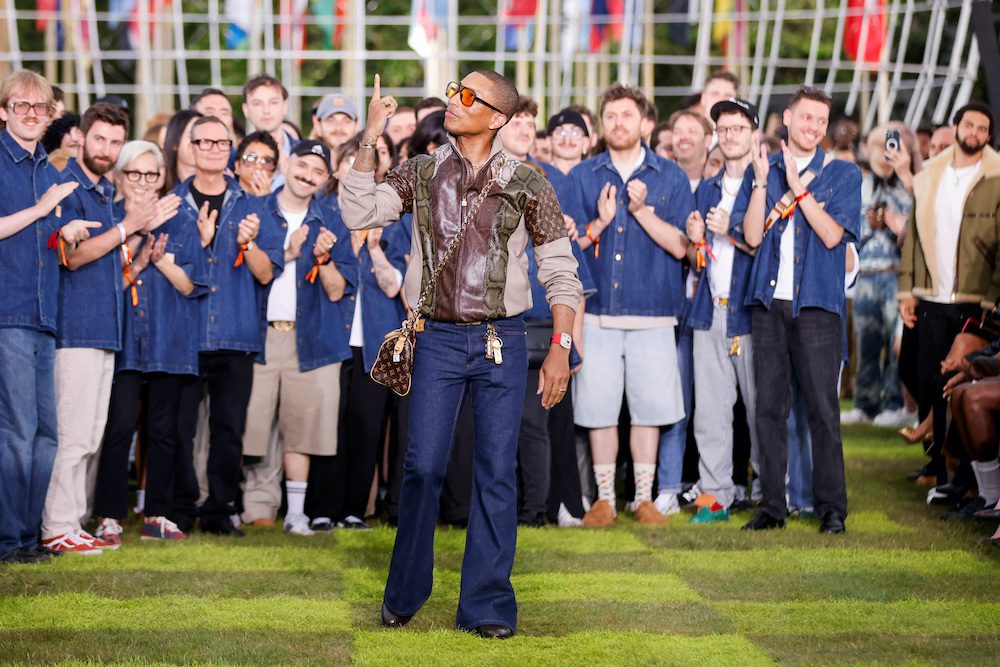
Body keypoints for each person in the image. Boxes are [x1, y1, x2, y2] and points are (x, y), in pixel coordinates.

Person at [341, 71, 582, 638]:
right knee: (422, 467)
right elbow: (358, 212)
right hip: (438, 340)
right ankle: (404, 592)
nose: (455, 100)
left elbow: (562, 274)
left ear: (498, 117)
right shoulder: (421, 171)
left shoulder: (529, 182)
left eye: (470, 96)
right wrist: (370, 137)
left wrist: (561, 348)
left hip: (505, 339)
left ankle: (488, 607)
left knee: (497, 473)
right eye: (455, 89)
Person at [40, 103, 174, 553]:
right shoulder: (68, 187)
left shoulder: (101, 192)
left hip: (104, 330)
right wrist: (129, 226)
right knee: (72, 435)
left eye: (116, 142)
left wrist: (139, 240)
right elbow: (72, 256)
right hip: (73, 329)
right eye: (100, 139)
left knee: (90, 436)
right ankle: (56, 526)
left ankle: (72, 522)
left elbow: (112, 274)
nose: (107, 149)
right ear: (81, 136)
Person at [565, 83, 694, 527]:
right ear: (602, 124)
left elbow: (683, 247)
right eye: (611, 116)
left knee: (650, 408)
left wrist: (640, 211)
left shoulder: (670, 177)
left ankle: (643, 497)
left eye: (626, 115)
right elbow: (566, 246)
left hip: (654, 310)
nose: (618, 123)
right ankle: (604, 499)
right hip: (597, 312)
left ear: (645, 123)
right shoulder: (583, 177)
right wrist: (599, 223)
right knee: (598, 408)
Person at [738, 86, 862, 534]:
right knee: (768, 407)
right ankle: (773, 505)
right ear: (787, 118)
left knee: (823, 411)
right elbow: (752, 236)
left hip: (817, 306)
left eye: (820, 121)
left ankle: (832, 508)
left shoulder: (843, 175)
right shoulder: (763, 169)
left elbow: (833, 237)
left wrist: (797, 190)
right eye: (805, 117)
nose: (813, 127)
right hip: (769, 304)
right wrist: (758, 181)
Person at [0, 70, 99, 564]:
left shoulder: (49, 169)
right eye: (21, 106)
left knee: (45, 434)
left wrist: (68, 230)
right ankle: (8, 538)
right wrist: (44, 211)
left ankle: (26, 537)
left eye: (41, 108)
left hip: (45, 314)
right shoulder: (3, 162)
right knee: (17, 431)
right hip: (9, 313)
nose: (32, 115)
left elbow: (48, 235)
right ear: (4, 110)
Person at [174, 115, 284, 536]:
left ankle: (220, 509)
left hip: (235, 334)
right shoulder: (175, 201)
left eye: (222, 143)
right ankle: (182, 507)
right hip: (185, 333)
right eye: (205, 142)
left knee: (228, 431)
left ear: (231, 153)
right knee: (181, 430)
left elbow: (264, 273)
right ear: (192, 147)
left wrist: (248, 242)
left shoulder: (255, 207)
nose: (213, 149)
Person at [93, 140, 207, 543]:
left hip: (169, 339)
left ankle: (156, 514)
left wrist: (160, 262)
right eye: (134, 173)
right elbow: (100, 278)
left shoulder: (179, 219)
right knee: (119, 427)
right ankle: (107, 514)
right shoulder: (107, 215)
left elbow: (194, 283)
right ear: (120, 176)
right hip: (121, 337)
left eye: (151, 174)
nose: (142, 182)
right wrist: (137, 233)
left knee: (163, 431)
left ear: (162, 178)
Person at [240, 140, 356, 535]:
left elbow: (339, 289)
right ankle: (257, 504)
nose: (307, 175)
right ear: (287, 164)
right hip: (259, 332)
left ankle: (295, 513)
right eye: (303, 166)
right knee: (256, 424)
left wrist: (322, 260)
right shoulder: (255, 209)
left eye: (317, 171)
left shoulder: (333, 220)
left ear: (327, 178)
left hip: (311, 335)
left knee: (301, 428)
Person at [897, 102, 1000, 487]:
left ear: (989, 136)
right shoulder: (930, 178)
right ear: (956, 127)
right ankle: (937, 469)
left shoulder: (996, 175)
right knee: (927, 380)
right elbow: (913, 240)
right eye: (969, 124)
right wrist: (906, 290)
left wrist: (991, 297)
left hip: (977, 299)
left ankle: (967, 478)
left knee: (961, 382)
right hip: (930, 295)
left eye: (982, 128)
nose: (974, 132)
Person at [684, 98, 762, 524]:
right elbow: (700, 257)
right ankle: (715, 497)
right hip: (709, 308)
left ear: (754, 133)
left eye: (738, 128)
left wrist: (724, 230)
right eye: (724, 129)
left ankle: (768, 492)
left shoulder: (767, 182)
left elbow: (766, 247)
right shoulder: (707, 187)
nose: (730, 135)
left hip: (751, 311)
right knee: (711, 411)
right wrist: (696, 237)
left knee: (760, 407)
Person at [841, 123, 919, 427]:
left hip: (898, 273)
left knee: (896, 342)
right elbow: (850, 231)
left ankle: (894, 402)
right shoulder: (864, 185)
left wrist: (899, 229)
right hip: (867, 275)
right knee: (867, 342)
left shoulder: (911, 184)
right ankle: (865, 403)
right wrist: (870, 224)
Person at [233, 131, 279, 197]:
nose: (258, 166)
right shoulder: (223, 199)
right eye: (251, 158)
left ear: (273, 172)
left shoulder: (280, 204)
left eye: (267, 161)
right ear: (237, 165)